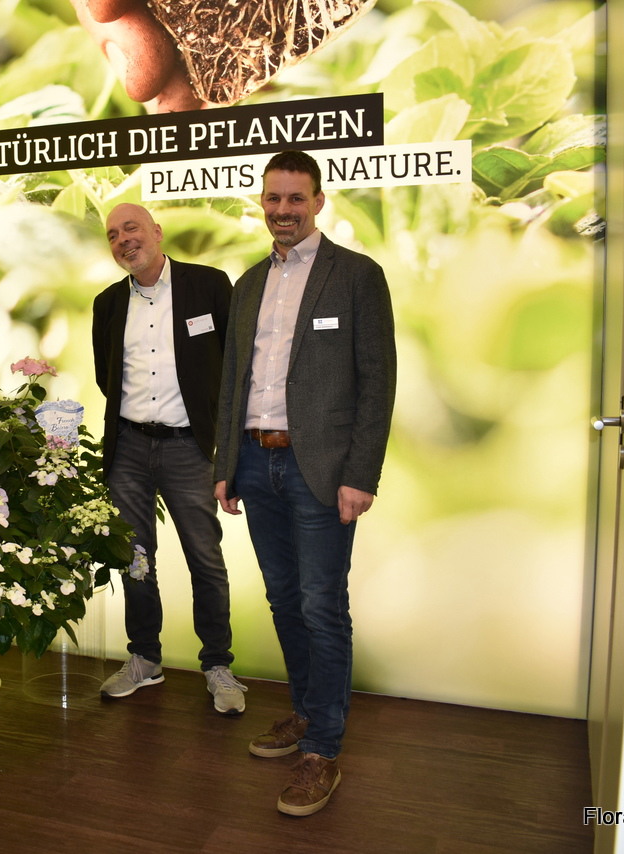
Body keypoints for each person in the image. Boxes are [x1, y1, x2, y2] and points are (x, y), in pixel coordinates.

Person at [213, 150, 396, 816]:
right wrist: (224, 465)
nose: (283, 210)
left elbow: (377, 382)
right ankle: (305, 711)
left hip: (319, 469)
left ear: (318, 202)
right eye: (273, 198)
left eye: (296, 198)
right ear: (261, 203)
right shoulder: (248, 284)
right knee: (285, 599)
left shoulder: (357, 276)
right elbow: (233, 379)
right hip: (255, 462)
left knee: (322, 605)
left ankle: (322, 749)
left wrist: (361, 474)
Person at [92, 202, 245, 714]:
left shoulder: (209, 285)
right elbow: (106, 375)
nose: (123, 240)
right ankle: (144, 658)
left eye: (131, 228)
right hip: (129, 449)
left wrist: (228, 449)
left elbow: (235, 366)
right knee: (135, 559)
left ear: (157, 232)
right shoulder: (107, 303)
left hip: (189, 448)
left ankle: (218, 665)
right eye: (113, 235)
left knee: (205, 558)